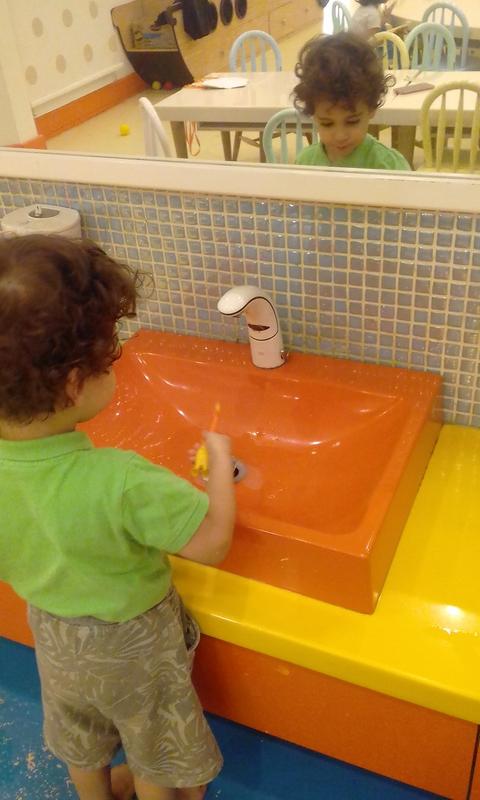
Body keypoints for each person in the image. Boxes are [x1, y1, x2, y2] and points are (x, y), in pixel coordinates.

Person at [0, 234, 235, 800]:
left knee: (80, 732)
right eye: (109, 360)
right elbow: (211, 544)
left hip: (54, 634)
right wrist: (220, 467)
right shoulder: (121, 479)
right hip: (134, 643)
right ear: (74, 384)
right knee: (152, 742)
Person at [293, 32, 411, 171]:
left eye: (352, 122)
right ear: (313, 114)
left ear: (371, 108)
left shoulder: (390, 166)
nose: (340, 136)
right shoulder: (305, 163)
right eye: (327, 124)